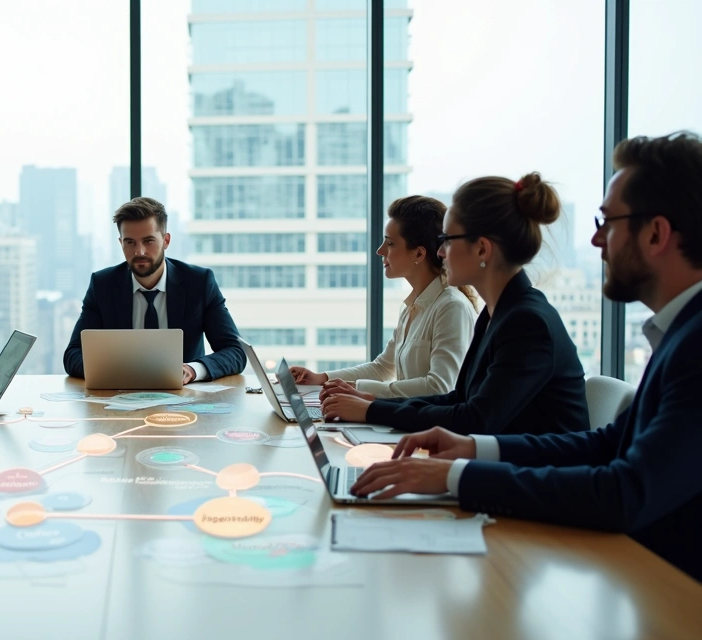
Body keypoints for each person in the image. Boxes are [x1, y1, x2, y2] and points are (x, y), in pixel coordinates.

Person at [351, 132, 702, 582]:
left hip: (659, 585)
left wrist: (457, 476)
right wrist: (472, 451)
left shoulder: (692, 346)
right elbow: (607, 443)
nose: (596, 241)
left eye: (607, 222)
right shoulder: (678, 334)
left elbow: (624, 491)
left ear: (655, 233)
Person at [322, 173, 589, 436]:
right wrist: (371, 406)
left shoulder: (527, 322)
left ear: (482, 249)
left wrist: (371, 409)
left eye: (446, 241)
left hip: (533, 475)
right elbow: (458, 399)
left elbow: (474, 419)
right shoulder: (496, 314)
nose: (439, 252)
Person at [290, 196, 477, 399]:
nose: (380, 251)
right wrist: (321, 378)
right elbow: (382, 368)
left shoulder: (451, 307)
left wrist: (359, 390)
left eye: (390, 243)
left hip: (430, 428)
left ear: (418, 254)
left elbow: (440, 387)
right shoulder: (412, 306)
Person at [63, 197, 246, 383]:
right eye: (130, 242)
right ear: (121, 243)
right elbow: (73, 355)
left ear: (166, 240)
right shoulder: (103, 285)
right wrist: (120, 371)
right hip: (119, 397)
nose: (139, 252)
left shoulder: (198, 283)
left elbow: (235, 352)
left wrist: (192, 370)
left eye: (148, 241)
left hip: (185, 400)